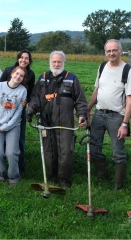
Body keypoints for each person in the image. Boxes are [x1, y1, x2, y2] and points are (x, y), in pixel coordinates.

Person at [27, 50, 87, 188]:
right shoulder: (42, 79)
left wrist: (82, 115)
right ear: (50, 62)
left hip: (65, 122)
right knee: (49, 151)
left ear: (64, 62)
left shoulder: (71, 79)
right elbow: (35, 97)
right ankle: (52, 177)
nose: (56, 64)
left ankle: (64, 180)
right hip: (46, 122)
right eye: (54, 61)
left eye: (59, 61)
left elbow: (80, 100)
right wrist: (31, 110)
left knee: (65, 151)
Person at [87, 39, 131, 191]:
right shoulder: (102, 67)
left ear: (121, 51)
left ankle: (118, 185)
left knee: (118, 152)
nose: (111, 53)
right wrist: (88, 109)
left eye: (114, 50)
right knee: (94, 148)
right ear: (105, 52)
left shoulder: (128, 70)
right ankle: (103, 174)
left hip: (116, 117)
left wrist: (125, 124)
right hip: (99, 114)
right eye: (108, 51)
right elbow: (97, 90)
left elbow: (130, 99)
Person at [0, 49, 35, 175]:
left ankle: (18, 167)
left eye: (26, 58)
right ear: (18, 58)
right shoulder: (8, 70)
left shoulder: (31, 75)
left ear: (29, 61)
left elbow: (29, 93)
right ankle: (2, 166)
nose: (23, 60)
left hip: (18, 111)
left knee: (19, 141)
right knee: (0, 144)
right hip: (2, 111)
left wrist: (26, 102)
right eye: (22, 57)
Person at [0, 66, 27, 186]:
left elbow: (18, 112)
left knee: (12, 153)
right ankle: (1, 174)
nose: (18, 77)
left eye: (21, 76)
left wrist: (6, 127)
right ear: (11, 74)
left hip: (13, 126)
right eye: (16, 74)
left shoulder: (22, 91)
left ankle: (13, 177)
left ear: (23, 79)